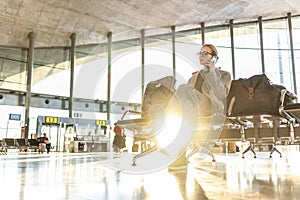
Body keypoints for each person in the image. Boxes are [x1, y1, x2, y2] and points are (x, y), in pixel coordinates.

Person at [167, 44, 232, 171]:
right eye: (200, 53)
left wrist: (212, 73)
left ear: (215, 58)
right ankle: (181, 156)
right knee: (186, 110)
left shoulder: (224, 74)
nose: (202, 56)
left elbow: (221, 94)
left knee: (183, 88)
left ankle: (168, 117)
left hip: (211, 107)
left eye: (205, 53)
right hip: (193, 109)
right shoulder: (193, 78)